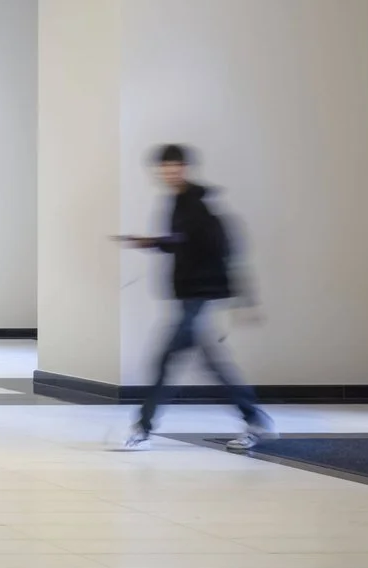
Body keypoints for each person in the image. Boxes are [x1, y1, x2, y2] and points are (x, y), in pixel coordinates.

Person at [110, 144, 275, 450]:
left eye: (174, 167)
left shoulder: (197, 204)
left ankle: (142, 428)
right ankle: (254, 418)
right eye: (164, 169)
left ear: (184, 168)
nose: (169, 173)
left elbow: (217, 248)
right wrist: (153, 243)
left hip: (198, 294)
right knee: (210, 364)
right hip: (189, 295)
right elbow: (183, 243)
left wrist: (242, 297)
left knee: (165, 360)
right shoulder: (177, 202)